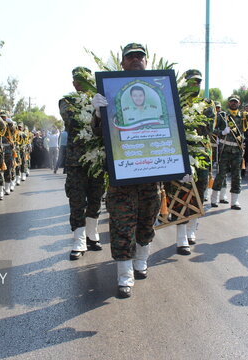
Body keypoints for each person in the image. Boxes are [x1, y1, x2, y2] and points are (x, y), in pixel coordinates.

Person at [92, 43, 161, 298]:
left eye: (140, 57)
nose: (135, 60)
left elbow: (174, 130)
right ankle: (124, 275)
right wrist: (98, 114)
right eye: (130, 57)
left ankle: (141, 260)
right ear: (122, 63)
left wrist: (180, 165)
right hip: (122, 174)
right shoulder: (112, 91)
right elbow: (100, 136)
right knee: (121, 222)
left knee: (146, 219)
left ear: (146, 60)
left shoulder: (160, 91)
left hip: (151, 173)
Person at [60, 67, 105, 261]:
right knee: (77, 200)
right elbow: (72, 123)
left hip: (96, 159)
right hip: (77, 162)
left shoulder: (101, 98)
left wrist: (100, 110)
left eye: (83, 80)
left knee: (95, 198)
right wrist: (95, 113)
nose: (79, 83)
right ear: (73, 83)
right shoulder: (66, 101)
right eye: (77, 80)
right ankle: (79, 240)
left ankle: (92, 235)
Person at [174, 69, 216, 255]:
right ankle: (181, 236)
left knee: (199, 191)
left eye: (198, 82)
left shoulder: (208, 104)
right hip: (181, 155)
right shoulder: (177, 102)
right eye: (192, 82)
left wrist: (188, 122)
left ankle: (192, 228)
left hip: (201, 155)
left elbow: (208, 127)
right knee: (181, 193)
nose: (195, 85)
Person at [210, 94, 248, 210]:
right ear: (228, 103)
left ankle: (234, 201)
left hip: (237, 150)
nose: (234, 103)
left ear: (239, 103)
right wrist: (222, 132)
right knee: (221, 174)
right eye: (232, 101)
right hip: (225, 149)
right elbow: (212, 129)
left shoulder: (242, 117)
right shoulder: (222, 116)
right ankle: (214, 198)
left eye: (235, 102)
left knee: (237, 176)